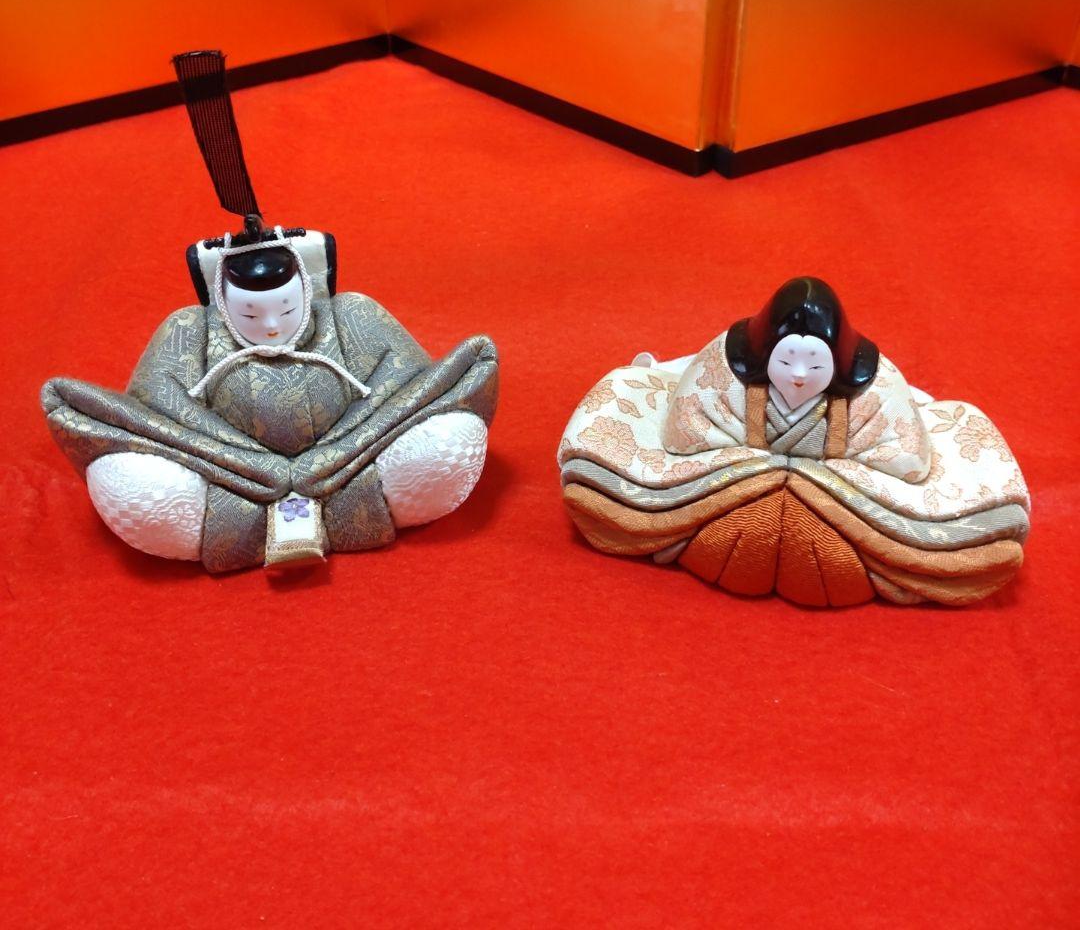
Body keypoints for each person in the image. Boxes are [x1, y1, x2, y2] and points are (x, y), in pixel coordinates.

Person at [40, 49, 497, 574]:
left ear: (307, 287)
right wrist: (248, 463)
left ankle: (356, 503)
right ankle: (235, 523)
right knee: (134, 481)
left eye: (285, 309)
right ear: (221, 301)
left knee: (448, 437)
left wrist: (335, 454)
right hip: (225, 485)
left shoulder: (350, 314)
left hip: (357, 468)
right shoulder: (188, 330)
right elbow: (159, 413)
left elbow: (406, 389)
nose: (273, 326)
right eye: (252, 317)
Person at [559, 277, 1028, 606]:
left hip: (849, 503)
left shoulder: (878, 388)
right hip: (718, 487)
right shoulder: (720, 368)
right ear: (764, 354)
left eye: (815, 364)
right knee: (620, 493)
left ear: (839, 362)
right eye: (786, 361)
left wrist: (805, 484)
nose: (800, 375)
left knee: (934, 541)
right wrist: (764, 478)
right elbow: (687, 438)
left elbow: (905, 463)